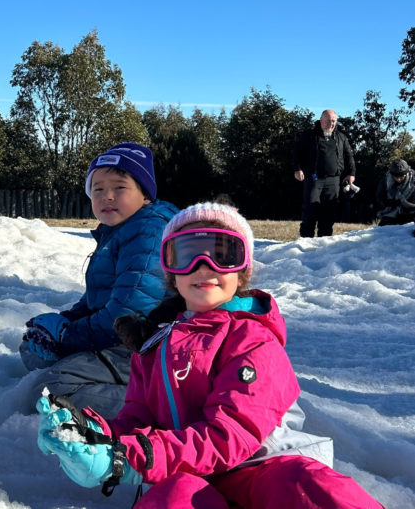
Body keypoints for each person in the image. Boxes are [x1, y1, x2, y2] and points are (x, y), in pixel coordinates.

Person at [35, 202, 383, 508]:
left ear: (242, 269)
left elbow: (230, 435)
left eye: (223, 253)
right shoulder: (152, 345)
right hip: (189, 477)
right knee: (172, 497)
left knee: (308, 484)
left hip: (260, 470)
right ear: (170, 270)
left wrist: (131, 456)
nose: (204, 266)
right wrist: (93, 436)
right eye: (187, 254)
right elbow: (137, 418)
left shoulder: (254, 339)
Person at [20, 143, 178, 419]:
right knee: (33, 351)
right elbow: (101, 296)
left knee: (50, 392)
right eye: (98, 189)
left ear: (145, 196)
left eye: (119, 187)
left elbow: (129, 312)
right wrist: (65, 321)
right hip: (119, 338)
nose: (107, 196)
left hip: (144, 346)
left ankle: (162, 409)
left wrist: (67, 337)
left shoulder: (148, 234)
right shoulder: (119, 231)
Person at [292, 109, 356, 238]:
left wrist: (351, 173)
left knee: (329, 211)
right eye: (329, 121)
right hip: (313, 178)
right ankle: (306, 240)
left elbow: (349, 155)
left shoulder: (341, 137)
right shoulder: (309, 136)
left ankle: (324, 241)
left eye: (334, 121)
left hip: (333, 180)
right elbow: (297, 153)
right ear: (321, 120)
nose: (331, 124)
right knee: (310, 209)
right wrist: (297, 169)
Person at [376, 158, 415, 226]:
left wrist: (408, 205)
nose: (399, 179)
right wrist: (388, 202)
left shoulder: (413, 179)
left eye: (401, 176)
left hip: (411, 211)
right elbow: (380, 196)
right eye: (396, 177)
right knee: (382, 229)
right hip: (392, 210)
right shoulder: (386, 179)